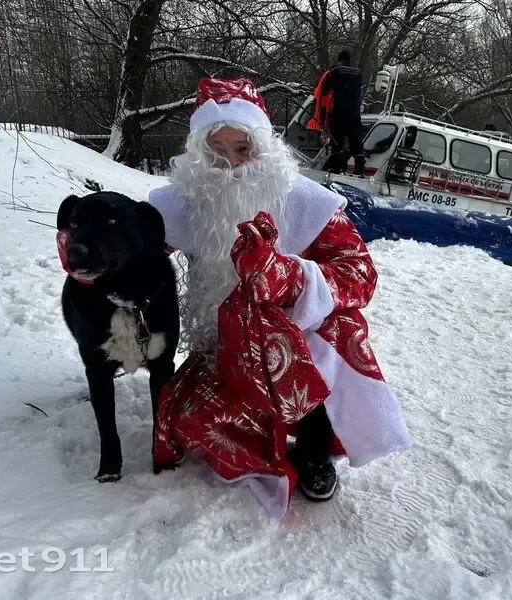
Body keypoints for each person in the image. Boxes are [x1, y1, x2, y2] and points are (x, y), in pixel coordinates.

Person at [147, 76, 411, 518]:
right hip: (226, 345)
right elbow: (136, 255)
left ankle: (314, 444)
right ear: (198, 155)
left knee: (338, 330)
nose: (230, 164)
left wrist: (287, 277)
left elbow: (360, 275)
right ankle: (257, 429)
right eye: (216, 151)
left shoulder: (306, 201)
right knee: (195, 421)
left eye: (243, 149)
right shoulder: (185, 201)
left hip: (297, 338)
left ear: (265, 150)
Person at [320, 50, 366, 176]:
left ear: (339, 60)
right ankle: (360, 167)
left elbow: (325, 90)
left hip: (339, 111)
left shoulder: (335, 71)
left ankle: (338, 167)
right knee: (356, 139)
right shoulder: (358, 73)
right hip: (355, 113)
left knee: (337, 140)